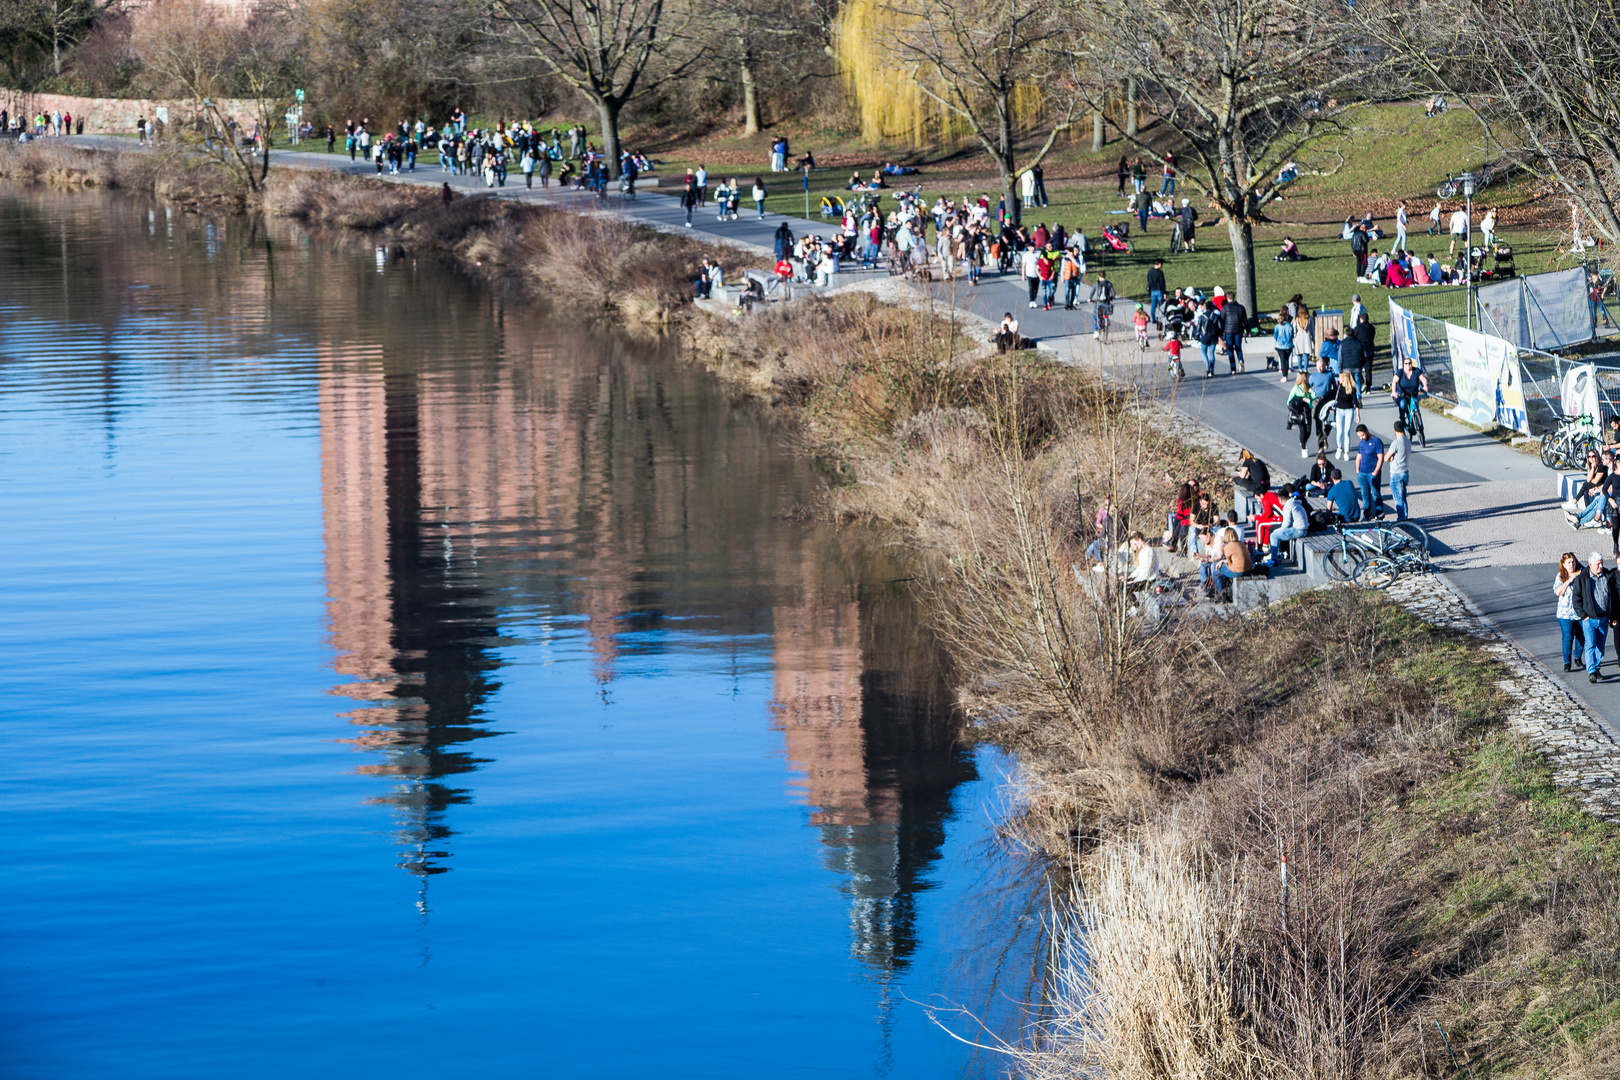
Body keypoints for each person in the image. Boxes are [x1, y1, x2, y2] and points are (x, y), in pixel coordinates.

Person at [1573, 551, 1619, 682]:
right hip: (1589, 618)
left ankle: (1597, 667)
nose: (1600, 566)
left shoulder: (1607, 575)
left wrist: (1613, 615)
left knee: (1601, 646)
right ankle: (1591, 671)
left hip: (1603, 618)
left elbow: (1613, 597)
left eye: (1601, 563)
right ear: (1590, 564)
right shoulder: (1582, 578)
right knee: (1590, 644)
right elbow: (1576, 599)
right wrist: (1583, 615)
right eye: (1598, 564)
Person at [1200, 526, 1252, 600]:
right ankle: (1225, 589)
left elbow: (1229, 562)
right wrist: (1223, 561)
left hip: (1239, 571)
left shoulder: (1228, 547)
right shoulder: (1241, 543)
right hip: (1248, 569)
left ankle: (1220, 594)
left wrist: (1222, 561)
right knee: (1220, 569)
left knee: (1216, 571)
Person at [1556, 553, 1587, 673]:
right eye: (1569, 562)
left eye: (1573, 562)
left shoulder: (1582, 572)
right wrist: (1569, 580)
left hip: (1579, 611)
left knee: (1581, 636)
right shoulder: (1560, 576)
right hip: (1565, 613)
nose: (1571, 565)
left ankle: (1578, 657)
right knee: (1568, 637)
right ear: (1563, 564)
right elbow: (1558, 592)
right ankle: (1567, 662)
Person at [1266, 484, 1309, 564]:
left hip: (1299, 530)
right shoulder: (1293, 502)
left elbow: (1286, 524)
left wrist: (1278, 531)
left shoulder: (1288, 506)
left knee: (1274, 535)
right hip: (1302, 528)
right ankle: (1277, 554)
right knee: (1276, 533)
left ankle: (1274, 558)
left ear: (1281, 500)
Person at [1383, 420, 1413, 520]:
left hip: (1396, 473)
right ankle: (1404, 516)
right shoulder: (1408, 441)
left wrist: (1392, 458)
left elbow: (1386, 458)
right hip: (1405, 472)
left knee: (1398, 498)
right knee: (1403, 497)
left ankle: (1401, 518)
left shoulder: (1396, 443)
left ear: (1394, 430)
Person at [1354, 424, 1386, 518]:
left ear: (1367, 431)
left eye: (1362, 435)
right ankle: (1366, 514)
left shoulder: (1376, 441)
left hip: (1372, 473)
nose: (1361, 437)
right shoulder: (1361, 443)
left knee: (1376, 494)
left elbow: (1381, 458)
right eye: (1359, 436)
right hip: (1362, 473)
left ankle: (1379, 513)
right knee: (1365, 495)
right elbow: (1358, 457)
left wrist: (1376, 471)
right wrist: (1357, 471)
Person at [1332, 372, 1361, 460]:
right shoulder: (1339, 387)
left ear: (1344, 379)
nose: (1339, 379)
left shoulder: (1351, 389)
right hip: (1339, 411)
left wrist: (1357, 415)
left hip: (1349, 410)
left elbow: (1356, 402)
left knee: (1347, 431)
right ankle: (1339, 447)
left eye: (1340, 378)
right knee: (1339, 431)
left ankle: (1346, 452)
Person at [1287, 373, 1315, 457]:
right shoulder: (1296, 388)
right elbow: (1289, 401)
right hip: (1299, 412)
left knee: (1308, 431)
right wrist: (1300, 400)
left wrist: (1311, 392)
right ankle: (1303, 448)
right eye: (1307, 377)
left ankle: (1302, 441)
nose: (1309, 378)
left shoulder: (1308, 387)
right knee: (1302, 429)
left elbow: (1313, 397)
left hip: (1307, 410)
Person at [1222, 295, 1247, 373]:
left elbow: (1222, 319)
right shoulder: (1241, 307)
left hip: (1228, 331)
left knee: (1230, 349)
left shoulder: (1225, 308)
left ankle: (1233, 369)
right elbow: (1245, 320)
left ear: (1228, 298)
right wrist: (1248, 330)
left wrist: (1221, 331)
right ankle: (1240, 360)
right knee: (1238, 347)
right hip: (1239, 330)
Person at [1272, 307, 1295, 378]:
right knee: (1287, 360)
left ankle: (1284, 374)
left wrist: (1278, 340)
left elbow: (1275, 335)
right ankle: (1287, 371)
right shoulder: (1290, 326)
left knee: (1282, 359)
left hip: (1280, 345)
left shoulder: (1277, 326)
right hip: (1288, 345)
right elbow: (1292, 335)